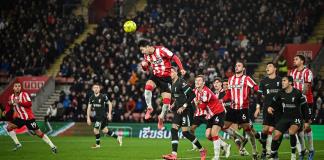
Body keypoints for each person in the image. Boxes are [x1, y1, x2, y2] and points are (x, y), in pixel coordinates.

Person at [138, 39, 186, 130]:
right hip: (156, 76)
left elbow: (175, 57)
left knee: (166, 102)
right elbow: (146, 68)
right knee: (148, 86)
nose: (142, 52)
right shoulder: (146, 55)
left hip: (166, 78)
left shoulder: (161, 50)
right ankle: (149, 107)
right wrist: (144, 65)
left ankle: (161, 118)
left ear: (147, 47)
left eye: (142, 49)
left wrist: (181, 68)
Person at [162, 67, 206, 160]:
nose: (170, 73)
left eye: (172, 72)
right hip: (178, 110)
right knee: (173, 130)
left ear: (176, 73)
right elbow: (178, 97)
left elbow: (192, 95)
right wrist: (173, 104)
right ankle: (174, 155)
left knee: (185, 133)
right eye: (169, 72)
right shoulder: (172, 84)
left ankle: (202, 149)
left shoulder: (181, 82)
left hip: (186, 110)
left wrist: (184, 106)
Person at [5, 82, 57, 153]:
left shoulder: (24, 94)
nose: (17, 87)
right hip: (20, 118)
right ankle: (17, 144)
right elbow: (9, 104)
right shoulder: (11, 97)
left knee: (39, 133)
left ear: (20, 88)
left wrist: (19, 102)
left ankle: (53, 146)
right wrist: (8, 107)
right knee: (9, 127)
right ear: (13, 88)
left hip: (29, 118)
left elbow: (29, 104)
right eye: (16, 86)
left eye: (19, 86)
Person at [222, 60, 259, 159]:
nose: (236, 67)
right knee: (222, 126)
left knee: (248, 130)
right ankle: (241, 138)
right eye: (236, 65)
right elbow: (229, 93)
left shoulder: (247, 79)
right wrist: (221, 100)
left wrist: (257, 90)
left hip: (243, 109)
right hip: (232, 109)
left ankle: (254, 151)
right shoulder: (230, 79)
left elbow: (255, 87)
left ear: (243, 69)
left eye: (239, 66)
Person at [268, 76, 308, 160]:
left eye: (284, 80)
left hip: (296, 117)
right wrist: (270, 107)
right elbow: (273, 102)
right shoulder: (280, 92)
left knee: (291, 132)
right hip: (285, 117)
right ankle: (273, 154)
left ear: (290, 82)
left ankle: (293, 154)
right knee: (276, 135)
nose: (282, 82)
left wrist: (306, 121)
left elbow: (305, 107)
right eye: (282, 81)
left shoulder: (297, 93)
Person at [194, 75, 230, 160]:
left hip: (218, 113)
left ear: (203, 83)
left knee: (214, 133)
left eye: (199, 81)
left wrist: (197, 103)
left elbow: (202, 107)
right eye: (196, 81)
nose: (197, 82)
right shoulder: (198, 92)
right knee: (208, 135)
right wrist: (198, 102)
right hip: (210, 115)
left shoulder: (206, 91)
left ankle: (216, 157)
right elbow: (202, 105)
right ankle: (225, 145)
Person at [289, 54, 315, 159]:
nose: (294, 60)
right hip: (296, 103)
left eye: (296, 59)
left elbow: (306, 88)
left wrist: (298, 98)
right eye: (294, 59)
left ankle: (312, 150)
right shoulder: (292, 72)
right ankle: (303, 150)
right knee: (298, 128)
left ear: (302, 61)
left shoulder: (307, 72)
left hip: (307, 102)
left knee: (307, 126)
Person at [254, 62, 282, 159]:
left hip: (278, 110)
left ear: (275, 69)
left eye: (269, 66)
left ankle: (273, 152)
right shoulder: (263, 81)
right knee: (265, 130)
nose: (267, 68)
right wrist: (258, 108)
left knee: (273, 131)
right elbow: (258, 96)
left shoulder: (281, 80)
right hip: (266, 109)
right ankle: (265, 149)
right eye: (266, 67)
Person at [86, 83, 122, 148]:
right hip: (98, 116)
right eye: (95, 88)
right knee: (105, 130)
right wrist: (88, 118)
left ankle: (98, 145)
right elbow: (89, 107)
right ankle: (118, 137)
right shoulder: (91, 98)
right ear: (93, 89)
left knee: (95, 130)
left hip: (102, 116)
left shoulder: (103, 96)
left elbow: (110, 104)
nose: (96, 89)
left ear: (99, 89)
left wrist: (110, 113)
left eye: (97, 87)